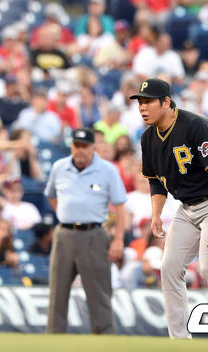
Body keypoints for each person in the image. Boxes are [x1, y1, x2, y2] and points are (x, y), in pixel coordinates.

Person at [134, 77, 208, 340]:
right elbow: (155, 181)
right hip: (187, 208)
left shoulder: (197, 125)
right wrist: (156, 214)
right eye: (140, 102)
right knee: (169, 268)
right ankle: (180, 341)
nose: (142, 107)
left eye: (148, 101)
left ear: (166, 102)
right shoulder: (148, 138)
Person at [44, 127, 127, 334]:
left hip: (94, 234)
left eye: (85, 146)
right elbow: (51, 195)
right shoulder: (59, 167)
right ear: (71, 146)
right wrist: (66, 215)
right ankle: (54, 339)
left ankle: (104, 339)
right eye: (76, 145)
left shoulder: (107, 170)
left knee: (99, 293)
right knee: (57, 291)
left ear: (93, 147)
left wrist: (118, 239)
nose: (80, 150)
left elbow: (120, 206)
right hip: (64, 234)